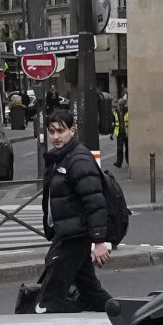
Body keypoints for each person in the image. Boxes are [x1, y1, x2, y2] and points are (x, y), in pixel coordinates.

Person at [36, 106, 113, 313]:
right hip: (68, 233)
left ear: (73, 130)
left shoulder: (78, 159)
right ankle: (126, 321)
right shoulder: (60, 158)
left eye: (61, 131)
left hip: (75, 236)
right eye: (51, 131)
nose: (56, 136)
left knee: (49, 297)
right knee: (90, 291)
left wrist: (99, 241)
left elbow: (94, 201)